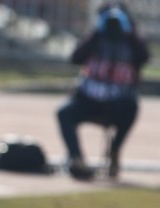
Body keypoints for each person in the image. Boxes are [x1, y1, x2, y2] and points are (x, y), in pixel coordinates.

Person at [56, 3, 150, 180]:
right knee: (64, 112)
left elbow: (144, 57)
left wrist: (129, 32)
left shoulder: (132, 42)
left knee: (132, 107)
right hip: (89, 100)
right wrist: (96, 32)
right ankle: (76, 158)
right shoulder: (96, 38)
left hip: (118, 103)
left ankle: (114, 151)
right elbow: (75, 58)